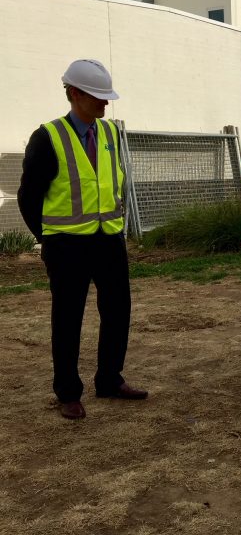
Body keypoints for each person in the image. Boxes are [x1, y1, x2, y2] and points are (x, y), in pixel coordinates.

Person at [17, 59, 148, 420]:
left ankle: (109, 379)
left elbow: (114, 181)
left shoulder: (108, 134)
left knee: (118, 311)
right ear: (74, 94)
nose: (105, 104)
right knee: (68, 317)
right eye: (97, 97)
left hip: (108, 239)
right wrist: (45, 240)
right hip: (66, 245)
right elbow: (28, 197)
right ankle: (68, 392)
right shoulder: (48, 137)